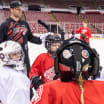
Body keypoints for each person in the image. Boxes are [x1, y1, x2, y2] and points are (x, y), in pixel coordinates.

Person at [31, 37, 104, 104]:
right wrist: (34, 78)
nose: (56, 47)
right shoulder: (101, 87)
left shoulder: (46, 90)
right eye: (54, 45)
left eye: (57, 45)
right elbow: (34, 70)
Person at [0, 0, 42, 76]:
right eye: (17, 9)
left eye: (21, 9)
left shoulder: (24, 23)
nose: (20, 11)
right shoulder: (5, 25)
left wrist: (41, 40)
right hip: (11, 61)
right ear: (11, 10)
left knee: (26, 82)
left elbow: (31, 37)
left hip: (24, 60)